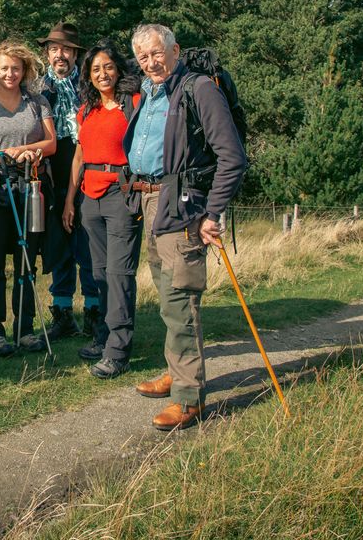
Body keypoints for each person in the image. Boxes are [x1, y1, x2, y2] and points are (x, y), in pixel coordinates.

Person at [124, 24, 247, 430]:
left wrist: (212, 213)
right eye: (143, 57)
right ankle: (177, 373)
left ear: (175, 49)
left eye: (157, 53)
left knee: (180, 301)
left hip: (183, 206)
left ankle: (189, 396)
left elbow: (232, 156)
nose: (150, 62)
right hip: (152, 202)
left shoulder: (198, 89)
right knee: (165, 297)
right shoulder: (152, 92)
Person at [0, 41, 57, 356]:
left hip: (31, 187)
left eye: (16, 68)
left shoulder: (37, 102)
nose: (10, 74)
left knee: (26, 262)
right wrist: (9, 155)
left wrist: (29, 151)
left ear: (25, 71)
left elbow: (51, 143)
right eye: (4, 68)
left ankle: (25, 329)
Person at [62, 41, 142, 378]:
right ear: (88, 76)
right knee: (97, 272)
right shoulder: (86, 110)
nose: (103, 74)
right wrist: (69, 201)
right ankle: (104, 336)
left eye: (108, 67)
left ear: (119, 69)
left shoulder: (134, 103)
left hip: (121, 192)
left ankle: (118, 350)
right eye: (95, 69)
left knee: (119, 272)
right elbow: (79, 156)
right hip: (88, 196)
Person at [37, 21, 98, 339]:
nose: (60, 55)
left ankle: (94, 310)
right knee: (58, 247)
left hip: (87, 173)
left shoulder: (90, 86)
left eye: (67, 50)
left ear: (76, 54)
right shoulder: (35, 89)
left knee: (87, 245)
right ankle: (62, 313)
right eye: (55, 49)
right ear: (47, 53)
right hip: (51, 175)